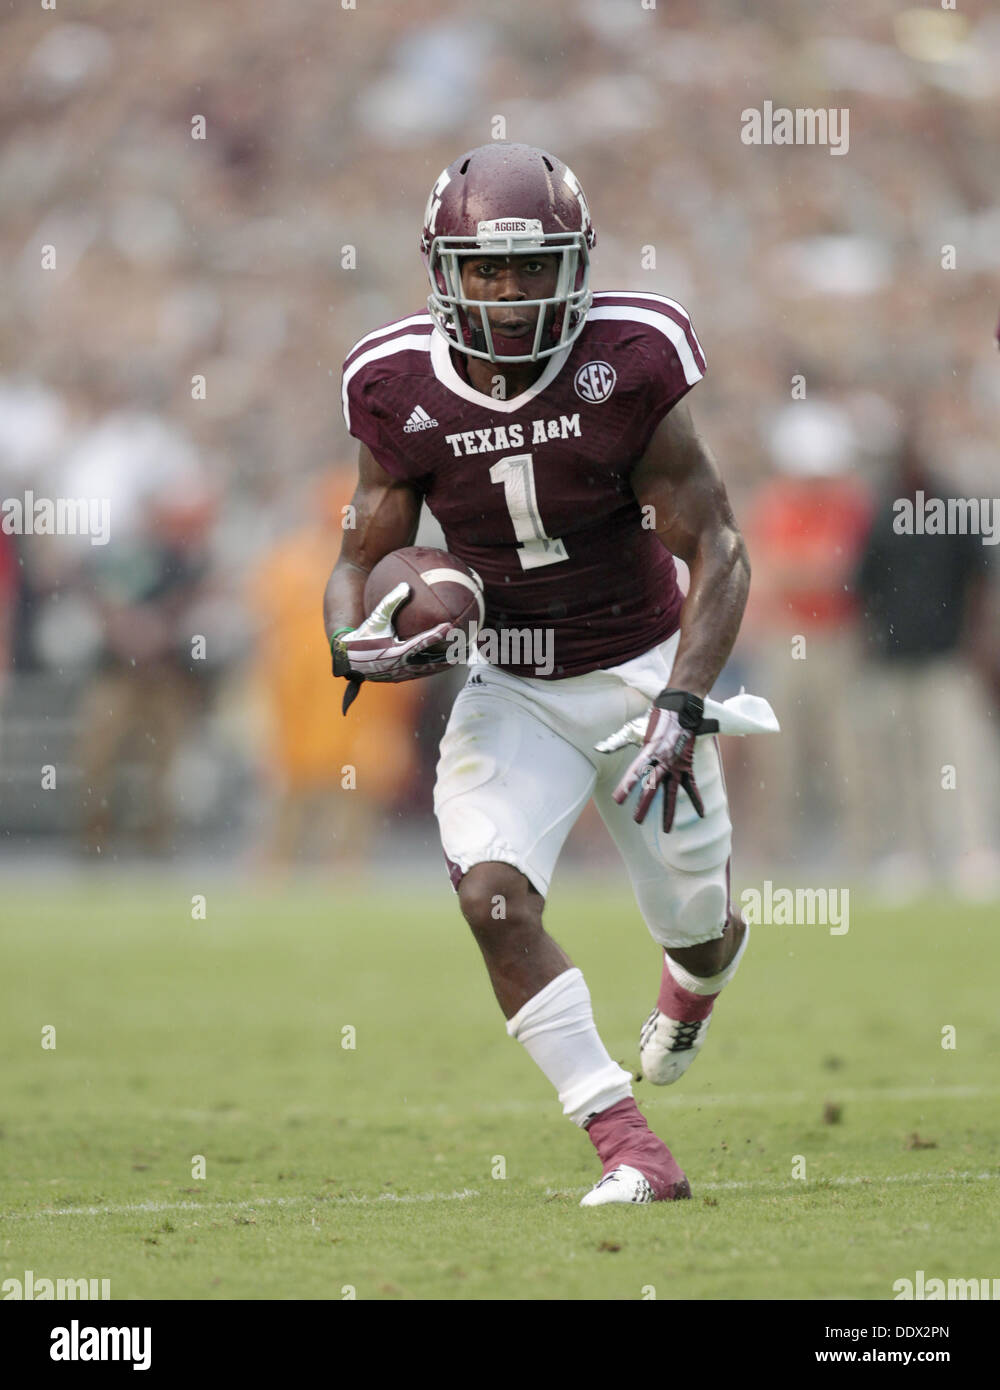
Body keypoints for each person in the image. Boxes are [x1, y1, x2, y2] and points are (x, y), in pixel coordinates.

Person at [324, 143, 771, 1206]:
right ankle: (628, 1143)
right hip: (513, 681)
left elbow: (720, 543)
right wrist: (356, 644)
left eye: (534, 267)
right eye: (487, 268)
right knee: (488, 896)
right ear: (444, 269)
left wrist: (683, 698)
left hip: (642, 667)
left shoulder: (634, 352)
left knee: (699, 931)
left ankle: (693, 985)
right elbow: (355, 558)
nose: (511, 290)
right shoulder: (391, 382)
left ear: (577, 265)